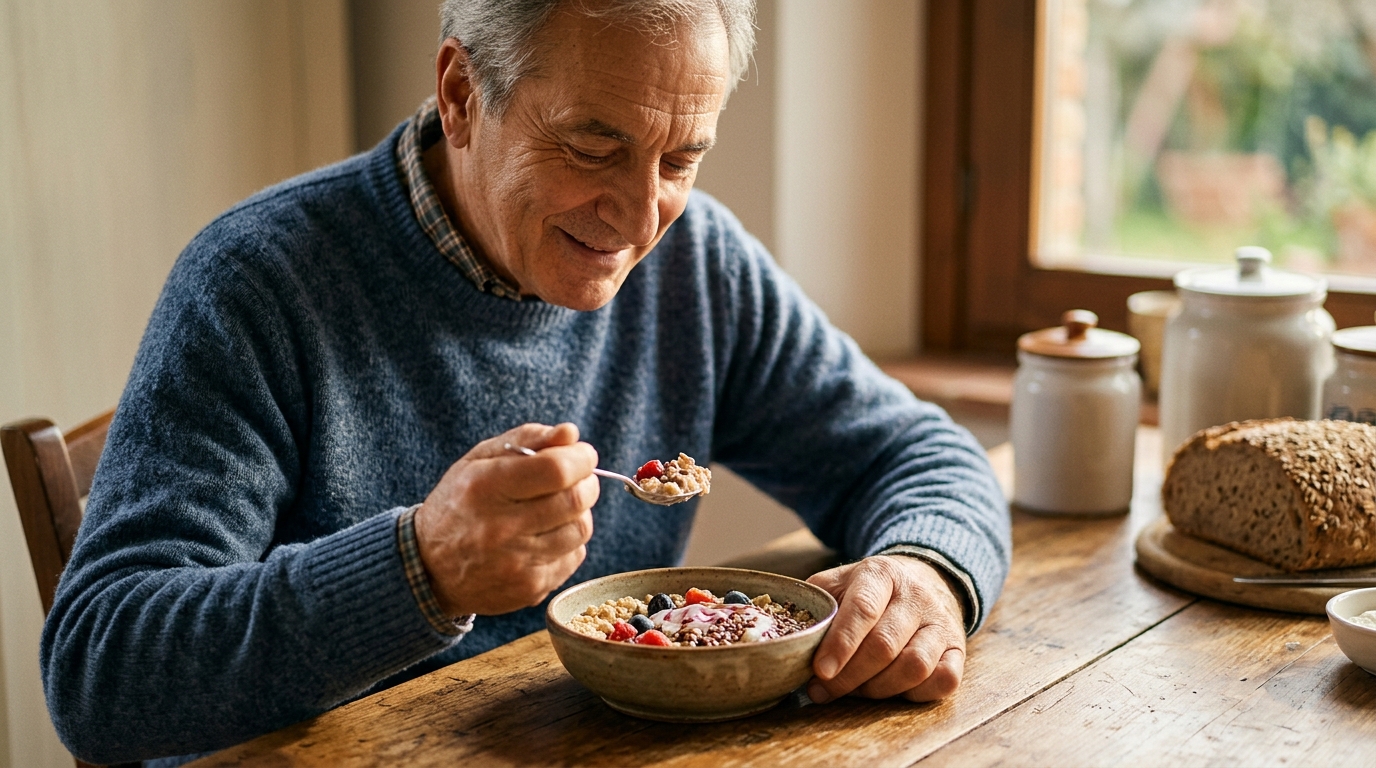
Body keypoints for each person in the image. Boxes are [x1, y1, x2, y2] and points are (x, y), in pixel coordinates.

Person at [40, 1, 1011, 764]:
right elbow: (100, 672)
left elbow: (920, 457)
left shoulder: (695, 265)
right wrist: (418, 569)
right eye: (593, 148)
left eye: (680, 159)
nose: (638, 220)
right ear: (462, 94)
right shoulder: (257, 283)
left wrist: (924, 571)